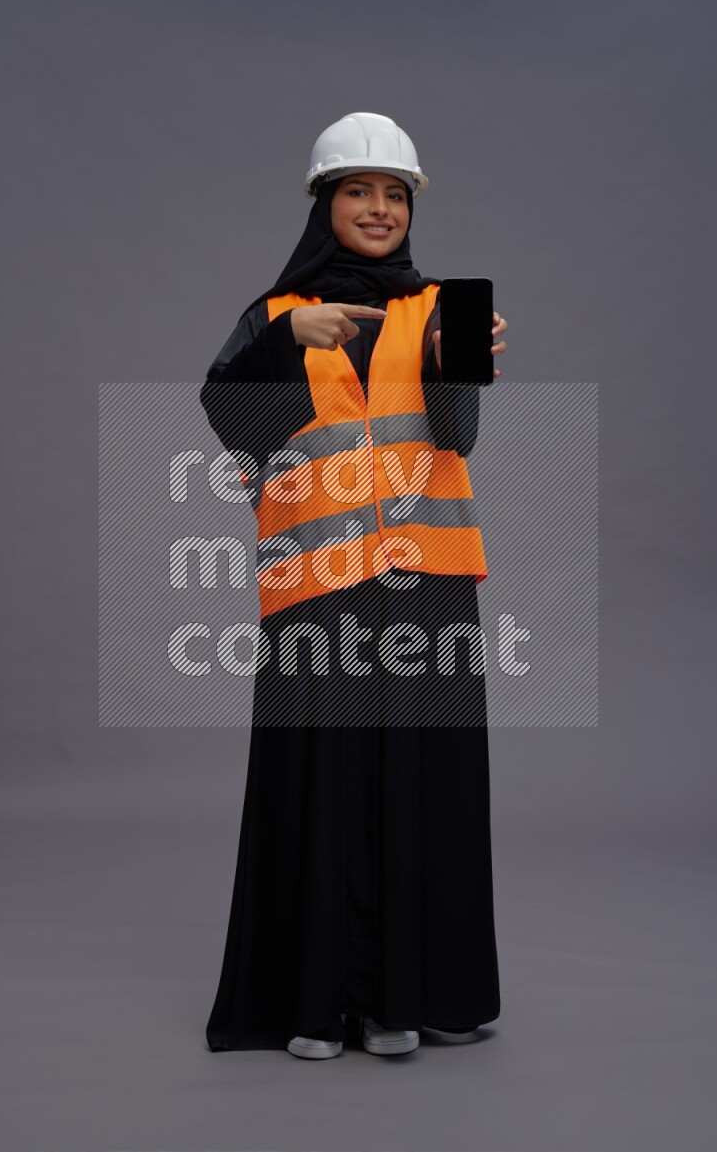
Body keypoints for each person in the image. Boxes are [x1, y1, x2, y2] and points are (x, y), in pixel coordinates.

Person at [199, 111, 508, 1059]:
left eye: (395, 194)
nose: (379, 209)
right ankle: (313, 1002)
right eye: (359, 191)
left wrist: (471, 373)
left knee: (419, 783)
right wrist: (294, 338)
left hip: (426, 582)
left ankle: (398, 1001)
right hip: (317, 587)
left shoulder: (438, 308)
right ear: (324, 203)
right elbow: (233, 424)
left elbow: (452, 439)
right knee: (320, 782)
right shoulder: (275, 315)